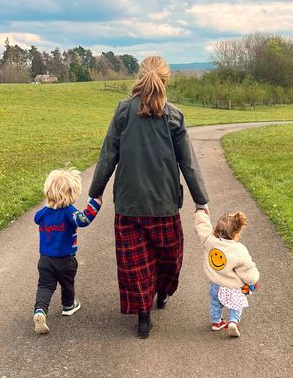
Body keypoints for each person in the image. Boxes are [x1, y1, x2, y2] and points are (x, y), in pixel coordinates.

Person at [89, 55, 209, 338]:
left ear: (139, 77)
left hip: (129, 205)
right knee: (169, 257)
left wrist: (96, 193)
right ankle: (162, 293)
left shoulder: (122, 111)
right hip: (164, 205)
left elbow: (108, 155)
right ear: (165, 80)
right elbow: (188, 163)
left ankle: (143, 315)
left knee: (135, 261)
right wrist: (201, 202)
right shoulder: (174, 116)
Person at [33, 167, 101, 334]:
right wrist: (95, 203)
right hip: (65, 259)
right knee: (67, 283)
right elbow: (83, 219)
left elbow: (36, 218)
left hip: (45, 260)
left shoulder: (44, 213)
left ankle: (40, 310)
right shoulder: (69, 212)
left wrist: (49, 205)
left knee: (45, 286)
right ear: (72, 193)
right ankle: (68, 305)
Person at [194, 210, 259, 337]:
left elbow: (201, 226)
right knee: (235, 305)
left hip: (215, 284)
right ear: (236, 234)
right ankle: (233, 322)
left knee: (215, 303)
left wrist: (201, 212)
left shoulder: (209, 239)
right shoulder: (238, 250)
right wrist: (253, 280)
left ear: (216, 228)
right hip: (232, 287)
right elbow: (247, 270)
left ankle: (216, 322)